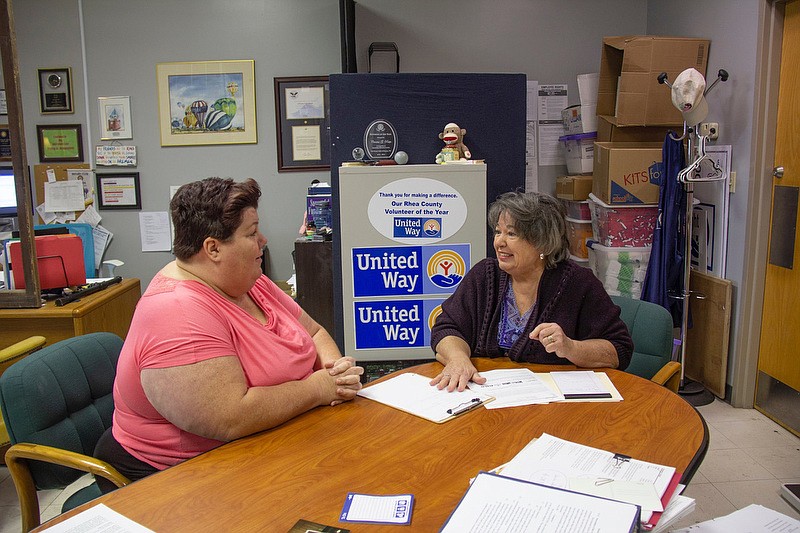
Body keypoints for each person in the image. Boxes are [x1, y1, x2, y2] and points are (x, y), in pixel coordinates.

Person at [95, 177, 363, 490]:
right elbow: (230, 417)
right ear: (213, 248)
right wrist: (318, 389)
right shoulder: (177, 312)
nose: (263, 240)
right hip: (176, 475)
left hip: (272, 442)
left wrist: (335, 373)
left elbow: (314, 332)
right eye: (251, 233)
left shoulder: (247, 278)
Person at [429, 191, 633, 392]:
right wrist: (457, 359)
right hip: (487, 396)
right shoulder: (485, 275)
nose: (499, 242)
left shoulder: (577, 283)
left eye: (511, 234)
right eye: (498, 232)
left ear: (541, 242)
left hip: (552, 406)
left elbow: (618, 350)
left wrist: (570, 347)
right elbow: (447, 328)